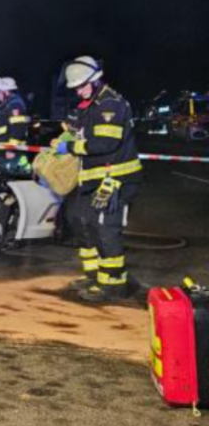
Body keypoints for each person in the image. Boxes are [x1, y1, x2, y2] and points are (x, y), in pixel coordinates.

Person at [55, 56, 142, 302]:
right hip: (94, 180)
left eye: (82, 86)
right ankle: (94, 275)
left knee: (105, 229)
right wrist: (64, 136)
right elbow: (78, 129)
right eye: (75, 88)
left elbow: (105, 143)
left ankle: (114, 283)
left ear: (95, 80)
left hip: (116, 179)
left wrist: (71, 147)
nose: (78, 91)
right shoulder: (89, 104)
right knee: (80, 221)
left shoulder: (110, 104)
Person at [0, 77, 33, 176]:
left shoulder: (15, 105)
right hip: (6, 149)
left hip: (13, 152)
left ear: (5, 91)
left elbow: (18, 128)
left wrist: (11, 148)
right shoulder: (8, 105)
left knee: (17, 178)